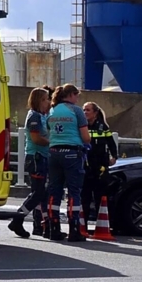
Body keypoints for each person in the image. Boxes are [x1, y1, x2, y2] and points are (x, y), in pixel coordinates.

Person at [45, 84, 91, 242]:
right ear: (71, 95)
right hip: (72, 153)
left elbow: (48, 129)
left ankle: (54, 228)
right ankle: (74, 230)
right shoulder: (76, 111)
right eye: (77, 95)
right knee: (74, 192)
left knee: (54, 191)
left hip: (53, 152)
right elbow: (86, 137)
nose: (77, 99)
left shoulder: (52, 110)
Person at [8, 87, 51, 238]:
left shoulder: (42, 116)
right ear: (39, 100)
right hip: (35, 158)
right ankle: (17, 219)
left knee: (42, 193)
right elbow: (36, 138)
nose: (48, 102)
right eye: (46, 99)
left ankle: (42, 225)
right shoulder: (34, 116)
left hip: (42, 157)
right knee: (38, 193)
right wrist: (53, 144)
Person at [81, 102, 118, 223]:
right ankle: (83, 226)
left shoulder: (103, 127)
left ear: (95, 113)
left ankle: (101, 225)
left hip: (100, 167)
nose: (85, 112)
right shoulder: (82, 126)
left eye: (88, 110)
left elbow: (111, 143)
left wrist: (114, 157)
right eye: (84, 110)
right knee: (84, 197)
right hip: (86, 166)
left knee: (100, 197)